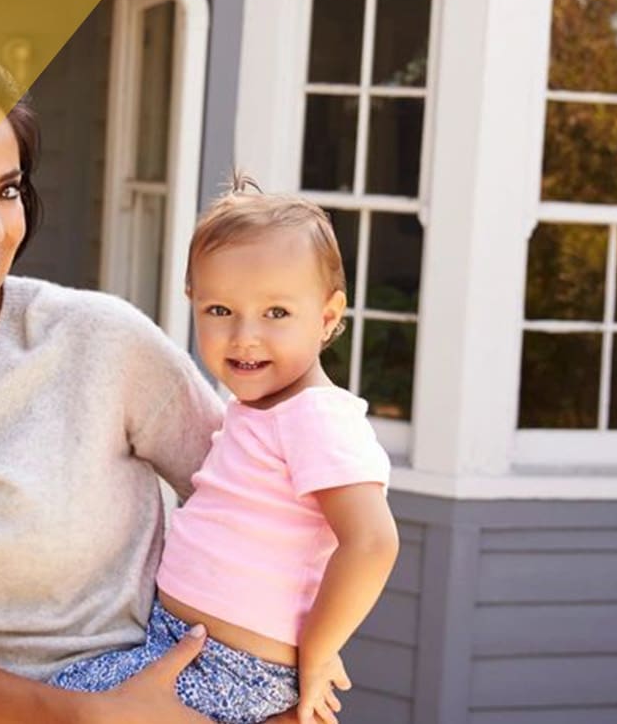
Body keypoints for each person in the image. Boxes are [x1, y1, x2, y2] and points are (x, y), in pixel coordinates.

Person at [0, 48, 306, 724]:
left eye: (7, 189)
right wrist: (75, 715)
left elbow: (263, 507)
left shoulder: (99, 342)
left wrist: (285, 681)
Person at [50, 177, 399, 724]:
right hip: (179, 646)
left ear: (328, 318)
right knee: (61, 700)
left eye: (276, 314)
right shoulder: (260, 411)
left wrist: (320, 652)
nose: (244, 337)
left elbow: (373, 542)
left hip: (234, 669)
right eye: (219, 311)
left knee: (60, 705)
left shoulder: (316, 418)